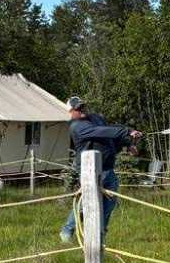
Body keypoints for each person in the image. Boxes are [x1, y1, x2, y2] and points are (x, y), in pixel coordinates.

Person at [58, 96, 142, 244]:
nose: (82, 110)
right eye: (78, 108)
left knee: (109, 205)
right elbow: (101, 132)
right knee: (86, 206)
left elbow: (110, 131)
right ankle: (67, 231)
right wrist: (126, 132)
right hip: (90, 172)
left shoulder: (96, 118)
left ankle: (99, 235)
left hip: (108, 170)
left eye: (83, 106)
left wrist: (128, 143)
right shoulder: (77, 127)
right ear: (71, 112)